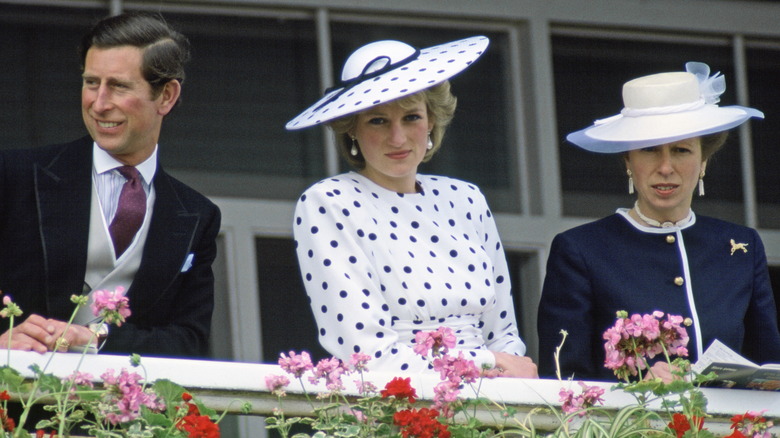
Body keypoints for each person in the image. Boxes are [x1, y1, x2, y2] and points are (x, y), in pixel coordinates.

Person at [286, 37, 537, 377]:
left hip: (491, 406)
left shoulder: (466, 198)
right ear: (352, 130)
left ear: (431, 121)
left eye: (411, 117)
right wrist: (486, 365)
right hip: (399, 406)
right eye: (377, 120)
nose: (398, 138)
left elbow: (502, 333)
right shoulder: (329, 201)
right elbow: (366, 352)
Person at [537, 62, 780, 381]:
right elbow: (562, 379)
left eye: (681, 150)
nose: (666, 167)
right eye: (649, 150)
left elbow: (769, 368)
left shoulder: (740, 247)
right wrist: (636, 396)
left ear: (703, 160)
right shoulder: (581, 250)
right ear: (628, 160)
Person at [0, 12, 221, 358]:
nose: (99, 103)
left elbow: (188, 341)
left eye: (118, 86)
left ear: (166, 96)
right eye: (91, 83)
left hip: (121, 410)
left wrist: (97, 339)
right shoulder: (11, 175)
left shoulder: (196, 215)